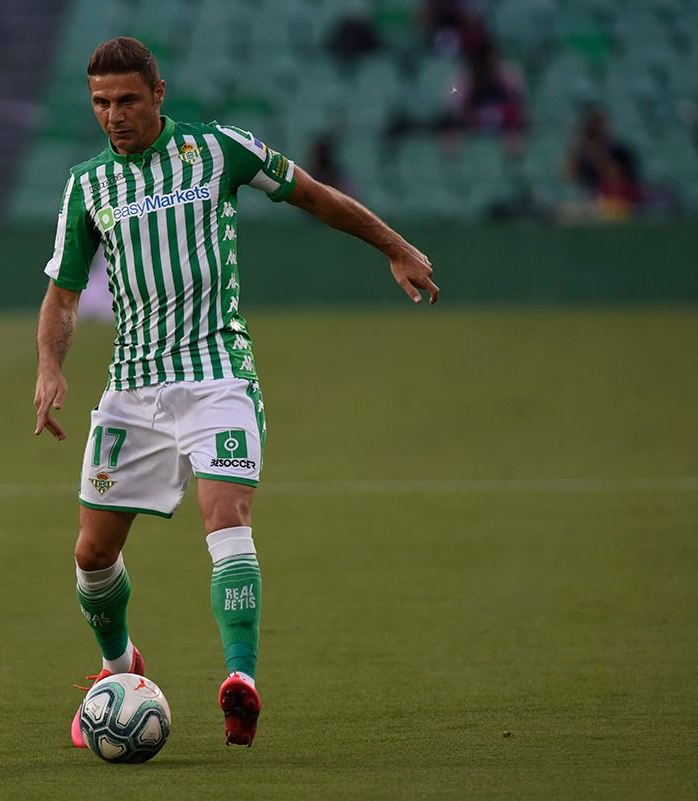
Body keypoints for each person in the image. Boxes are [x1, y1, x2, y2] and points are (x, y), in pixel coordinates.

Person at [32, 37, 438, 749]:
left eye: (127, 99)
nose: (113, 115)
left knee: (228, 517)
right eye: (100, 103)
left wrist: (395, 246)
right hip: (133, 389)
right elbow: (63, 295)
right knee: (93, 556)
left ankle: (240, 682)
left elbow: (315, 195)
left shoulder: (218, 150)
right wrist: (49, 364)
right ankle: (119, 668)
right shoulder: (87, 186)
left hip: (217, 371)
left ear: (159, 94)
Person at [564, 105, 643, 218]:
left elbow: (615, 180)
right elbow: (568, 175)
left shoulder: (619, 151)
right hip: (592, 201)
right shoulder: (584, 152)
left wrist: (599, 154)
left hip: (620, 202)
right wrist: (574, 146)